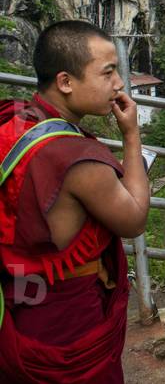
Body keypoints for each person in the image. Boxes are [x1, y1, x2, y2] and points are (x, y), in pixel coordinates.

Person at [0, 20, 150, 383]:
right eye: (108, 72)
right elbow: (133, 220)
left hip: (19, 300)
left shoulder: (13, 122)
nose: (118, 84)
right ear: (65, 82)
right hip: (66, 314)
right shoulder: (77, 159)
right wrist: (131, 136)